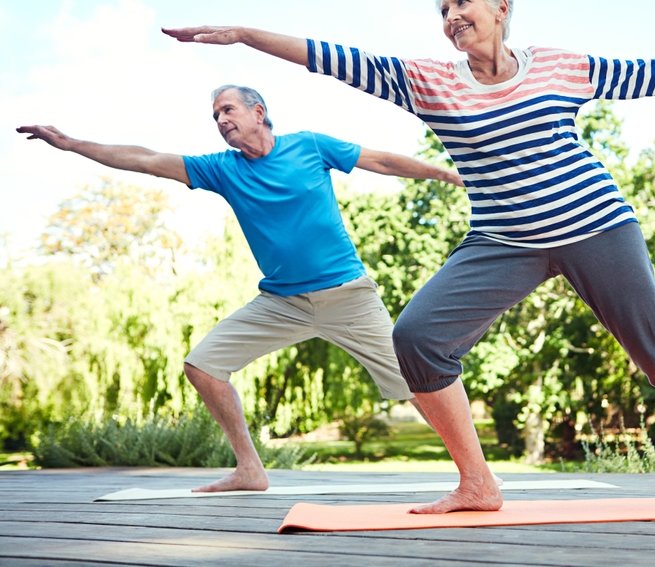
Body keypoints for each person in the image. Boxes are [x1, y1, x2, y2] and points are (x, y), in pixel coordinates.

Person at [162, 0, 655, 512]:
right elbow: (333, 59)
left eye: (462, 3)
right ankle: (477, 484)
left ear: (501, 8)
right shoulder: (432, 84)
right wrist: (244, 36)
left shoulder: (560, 67)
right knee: (417, 338)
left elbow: (651, 73)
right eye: (443, 9)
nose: (451, 17)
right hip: (502, 241)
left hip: (596, 225)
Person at [16, 84, 463, 493]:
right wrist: (72, 144)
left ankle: (474, 472)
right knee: (203, 365)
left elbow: (382, 161)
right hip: (280, 303)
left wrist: (447, 175)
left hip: (348, 297)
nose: (221, 120)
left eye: (227, 110)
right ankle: (250, 468)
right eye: (215, 116)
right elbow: (146, 160)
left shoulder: (308, 145)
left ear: (258, 112)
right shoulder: (221, 169)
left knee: (417, 381)